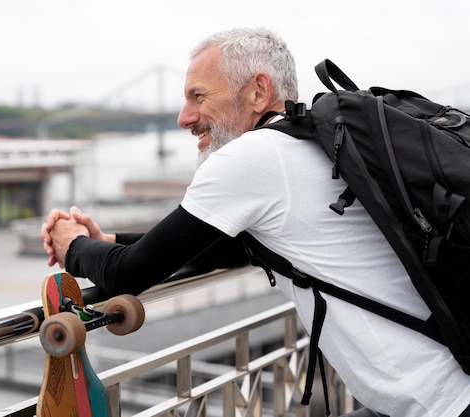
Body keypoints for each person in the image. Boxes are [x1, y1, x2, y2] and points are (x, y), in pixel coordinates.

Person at [40, 27, 470, 416]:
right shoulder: (310, 145)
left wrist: (72, 244)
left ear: (258, 90)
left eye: (198, 96)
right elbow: (226, 244)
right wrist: (109, 238)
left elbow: (127, 273)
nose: (183, 117)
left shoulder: (252, 159)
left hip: (440, 404)